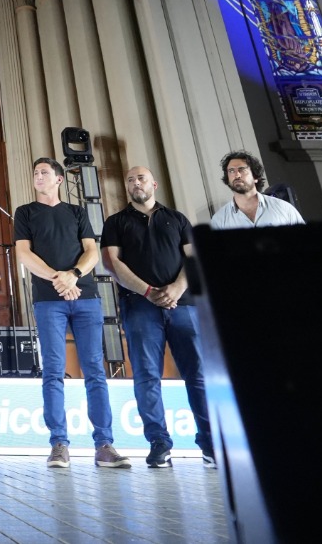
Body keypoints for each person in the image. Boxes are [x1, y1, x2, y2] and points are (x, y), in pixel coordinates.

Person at [13, 158, 131, 470]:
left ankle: (104, 444)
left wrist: (74, 275)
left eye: (44, 172)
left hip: (85, 297)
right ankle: (59, 444)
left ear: (59, 179)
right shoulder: (25, 212)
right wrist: (59, 279)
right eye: (35, 172)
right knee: (53, 370)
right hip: (48, 300)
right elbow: (24, 253)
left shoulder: (77, 212)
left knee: (94, 370)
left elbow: (91, 251)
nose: (38, 176)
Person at [99, 166, 213, 469]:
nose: (136, 183)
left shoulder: (177, 219)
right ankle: (159, 443)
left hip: (183, 304)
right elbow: (112, 264)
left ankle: (210, 443)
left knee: (198, 374)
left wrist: (176, 288)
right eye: (131, 180)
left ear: (154, 184)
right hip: (139, 306)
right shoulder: (116, 222)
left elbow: (193, 257)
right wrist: (148, 291)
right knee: (147, 376)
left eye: (141, 178)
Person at [209, 151, 305, 230]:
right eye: (231, 171)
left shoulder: (284, 208)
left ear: (255, 177)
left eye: (242, 169)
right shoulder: (219, 220)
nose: (237, 175)